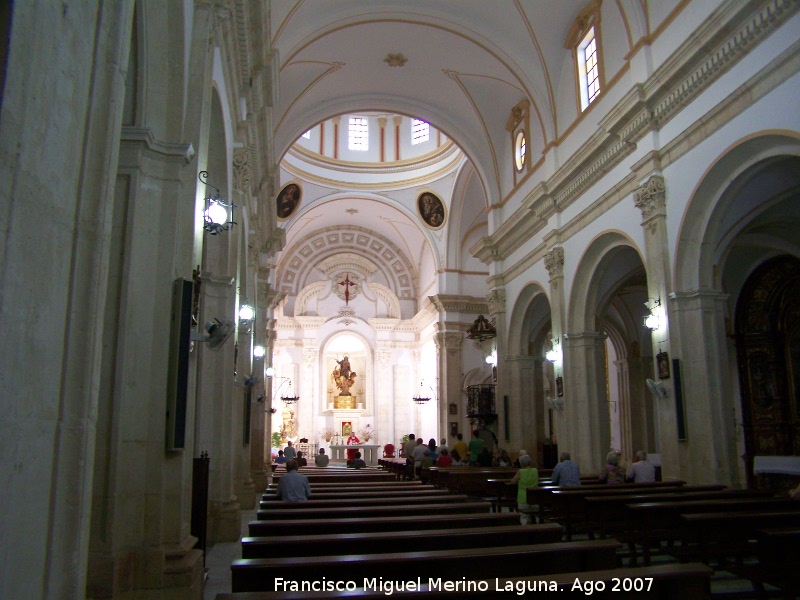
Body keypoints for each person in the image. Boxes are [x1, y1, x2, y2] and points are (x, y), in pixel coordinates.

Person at [510, 454, 539, 525]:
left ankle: (525, 530)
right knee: (536, 514)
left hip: (523, 498)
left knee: (524, 516)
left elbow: (513, 482)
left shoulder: (520, 472)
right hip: (534, 497)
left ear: (521, 463)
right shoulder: (535, 470)